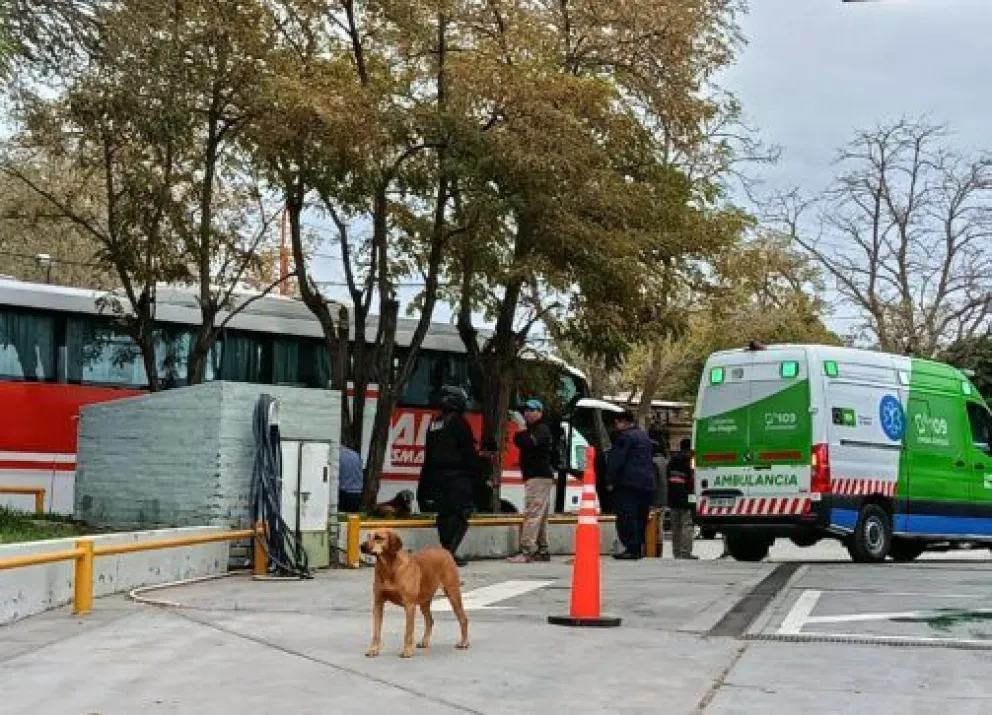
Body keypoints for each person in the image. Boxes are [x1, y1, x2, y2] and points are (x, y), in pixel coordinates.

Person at [419, 386, 478, 567]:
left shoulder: (434, 424)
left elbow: (428, 454)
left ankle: (446, 551)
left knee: (444, 515)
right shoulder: (459, 422)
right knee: (463, 512)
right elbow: (467, 451)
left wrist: (424, 482)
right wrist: (478, 475)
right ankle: (448, 553)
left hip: (435, 475)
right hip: (456, 476)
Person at [508, 398, 555, 563]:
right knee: (540, 515)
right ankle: (542, 549)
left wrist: (521, 426)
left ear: (540, 413)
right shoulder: (530, 429)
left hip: (539, 477)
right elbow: (519, 441)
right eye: (525, 410)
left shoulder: (542, 429)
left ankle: (528, 550)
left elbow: (527, 443)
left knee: (533, 513)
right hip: (536, 476)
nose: (527, 412)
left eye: (532, 409)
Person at [606, 410, 657, 560]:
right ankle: (638, 548)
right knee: (641, 516)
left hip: (628, 483)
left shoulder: (625, 437)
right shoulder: (644, 437)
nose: (616, 426)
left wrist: (610, 479)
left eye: (617, 423)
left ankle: (631, 548)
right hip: (646, 483)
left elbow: (617, 460)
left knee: (627, 516)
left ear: (622, 422)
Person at [667, 438, 697, 559]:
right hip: (686, 497)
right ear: (690, 449)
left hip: (673, 497)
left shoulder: (672, 461)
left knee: (675, 527)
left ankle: (676, 552)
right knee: (687, 525)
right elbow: (693, 480)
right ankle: (685, 552)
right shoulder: (690, 462)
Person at [338, 444, 364, 513]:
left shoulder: (337, 456)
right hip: (357, 493)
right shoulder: (355, 454)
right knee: (353, 519)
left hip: (343, 493)